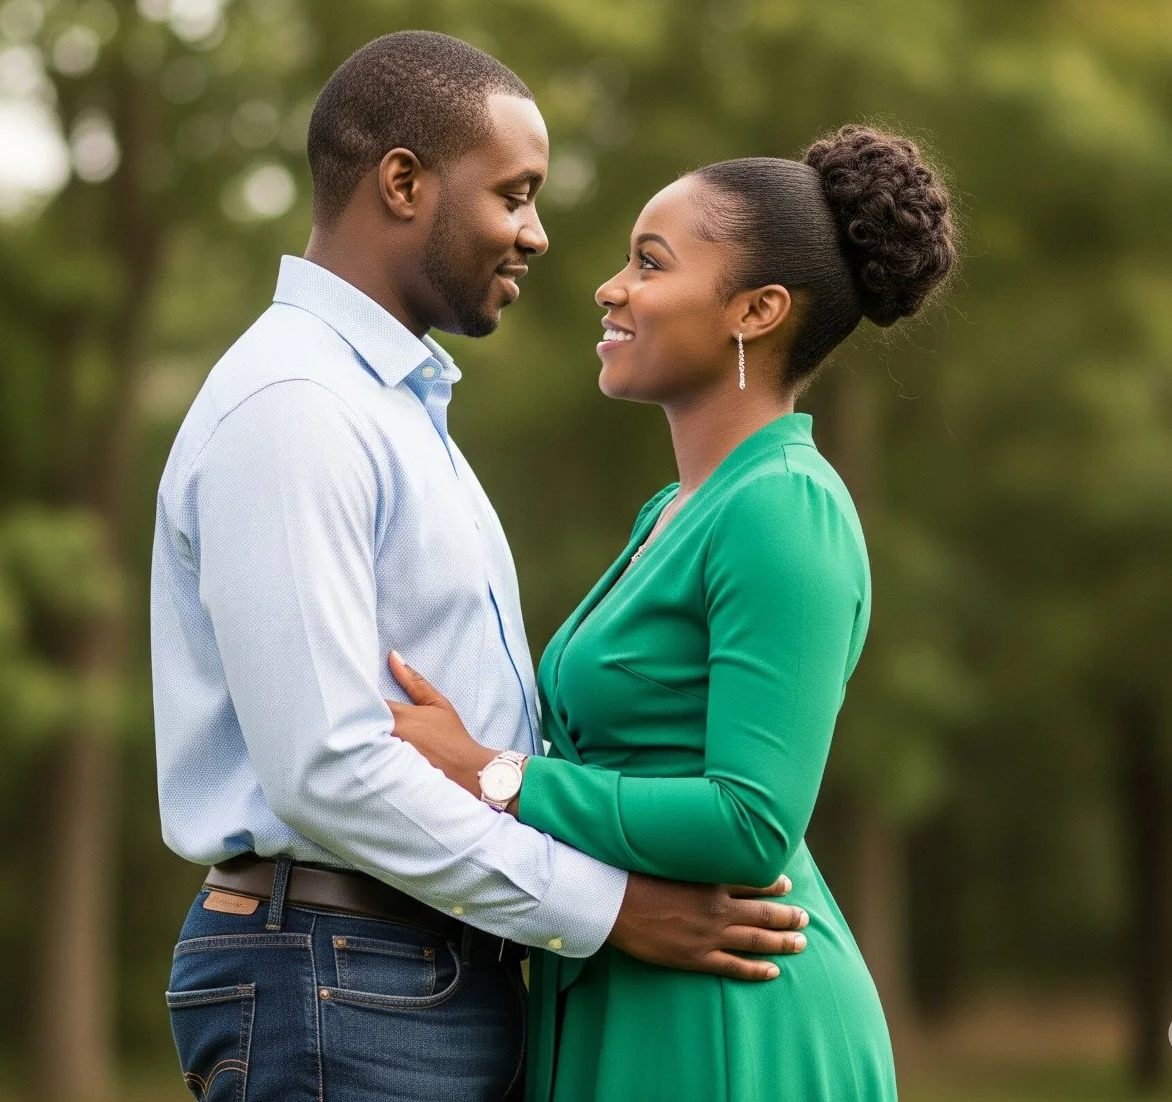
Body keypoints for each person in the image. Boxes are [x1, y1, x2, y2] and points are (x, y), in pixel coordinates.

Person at [150, 31, 810, 1102]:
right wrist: (610, 905)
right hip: (342, 971)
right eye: (516, 194)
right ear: (405, 182)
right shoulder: (297, 409)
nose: (539, 235)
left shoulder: (392, 409)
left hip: (408, 965)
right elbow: (327, 765)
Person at [386, 124, 957, 1101]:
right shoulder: (679, 510)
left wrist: (495, 773)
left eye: (649, 263)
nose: (610, 287)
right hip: (628, 980)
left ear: (758, 309)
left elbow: (750, 818)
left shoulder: (785, 506)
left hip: (730, 1017)